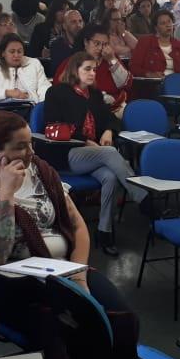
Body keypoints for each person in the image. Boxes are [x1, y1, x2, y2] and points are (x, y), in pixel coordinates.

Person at [0, 111, 143, 359]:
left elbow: (78, 227)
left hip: (65, 272)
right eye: (20, 147)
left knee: (123, 320)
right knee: (72, 334)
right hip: (13, 285)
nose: (30, 152)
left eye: (30, 143)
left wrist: (78, 277)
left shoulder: (41, 170)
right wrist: (6, 194)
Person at [45, 52, 147, 255]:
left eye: (94, 69)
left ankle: (104, 232)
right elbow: (54, 125)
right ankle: (144, 198)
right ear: (75, 70)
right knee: (109, 153)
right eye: (87, 69)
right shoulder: (57, 92)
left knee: (110, 177)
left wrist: (108, 130)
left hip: (93, 154)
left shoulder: (95, 95)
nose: (93, 73)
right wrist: (85, 141)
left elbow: (111, 119)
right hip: (65, 154)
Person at [53, 25, 131, 115]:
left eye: (105, 44)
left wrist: (112, 60)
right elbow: (59, 91)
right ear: (86, 42)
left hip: (114, 108)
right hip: (81, 110)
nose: (100, 48)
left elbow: (126, 84)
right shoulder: (72, 62)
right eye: (97, 43)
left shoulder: (111, 58)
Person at [0, 34, 50, 115]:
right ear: (3, 53)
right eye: (12, 51)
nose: (16, 55)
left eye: (19, 51)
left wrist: (39, 105)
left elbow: (44, 88)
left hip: (29, 112)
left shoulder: (34, 64)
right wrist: (7, 93)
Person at [129, 10, 180, 78]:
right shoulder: (145, 42)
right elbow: (133, 67)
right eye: (163, 23)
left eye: (169, 21)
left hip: (174, 82)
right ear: (156, 28)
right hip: (153, 82)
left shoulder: (178, 45)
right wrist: (149, 74)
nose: (168, 25)